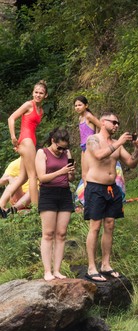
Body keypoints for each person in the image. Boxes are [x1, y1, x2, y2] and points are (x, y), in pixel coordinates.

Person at [83, 112, 138, 282]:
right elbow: (99, 155)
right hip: (95, 187)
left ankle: (106, 264)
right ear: (102, 122)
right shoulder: (92, 139)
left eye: (118, 123)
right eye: (113, 122)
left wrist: (136, 148)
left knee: (110, 225)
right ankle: (91, 267)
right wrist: (120, 143)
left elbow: (131, 163)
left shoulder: (117, 143)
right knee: (95, 227)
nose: (116, 125)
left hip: (112, 188)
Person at [0, 80, 48, 217]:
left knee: (22, 177)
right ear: (33, 93)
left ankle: (1, 203)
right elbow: (11, 118)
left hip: (31, 140)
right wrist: (13, 137)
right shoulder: (29, 104)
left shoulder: (41, 111)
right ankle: (35, 210)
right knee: (33, 176)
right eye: (36, 92)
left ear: (46, 95)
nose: (38, 95)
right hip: (25, 139)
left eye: (41, 93)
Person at [35, 128, 75, 281]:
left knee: (61, 234)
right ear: (53, 141)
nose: (62, 151)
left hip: (64, 194)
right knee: (48, 233)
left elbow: (71, 178)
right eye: (59, 147)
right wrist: (61, 171)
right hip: (48, 194)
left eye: (64, 148)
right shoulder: (42, 153)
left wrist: (70, 172)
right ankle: (47, 271)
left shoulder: (67, 154)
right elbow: (42, 177)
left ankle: (57, 270)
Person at [73, 96, 126, 207]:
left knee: (90, 173)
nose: (77, 107)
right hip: (83, 147)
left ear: (86, 106)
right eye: (76, 105)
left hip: (91, 147)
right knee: (84, 174)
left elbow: (100, 125)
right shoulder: (80, 118)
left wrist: (98, 140)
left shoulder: (89, 116)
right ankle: (87, 200)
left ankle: (94, 199)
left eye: (80, 105)